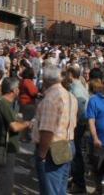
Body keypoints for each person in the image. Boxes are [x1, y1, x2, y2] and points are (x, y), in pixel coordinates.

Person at [32, 65, 78, 195]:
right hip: (68, 143)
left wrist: (41, 155)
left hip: (53, 148)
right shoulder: (70, 96)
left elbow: (47, 131)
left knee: (50, 189)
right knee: (60, 188)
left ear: (45, 80)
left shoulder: (51, 99)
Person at [0, 77, 31, 195]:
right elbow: (14, 126)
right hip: (5, 148)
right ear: (13, 90)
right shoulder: (4, 103)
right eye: (18, 88)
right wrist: (27, 124)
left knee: (0, 180)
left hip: (2, 147)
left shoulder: (4, 102)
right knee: (5, 182)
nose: (19, 90)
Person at [67, 66, 89, 194]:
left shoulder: (77, 89)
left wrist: (75, 122)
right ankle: (76, 181)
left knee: (76, 154)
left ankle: (79, 183)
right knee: (75, 154)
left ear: (71, 74)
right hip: (77, 125)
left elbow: (80, 112)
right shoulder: (76, 87)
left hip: (77, 126)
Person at [86, 79, 104, 195]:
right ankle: (98, 189)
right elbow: (91, 121)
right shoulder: (94, 100)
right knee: (96, 168)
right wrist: (95, 137)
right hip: (99, 142)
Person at [18, 67, 38, 142]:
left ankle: (24, 136)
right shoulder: (28, 81)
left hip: (23, 102)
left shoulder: (22, 81)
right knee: (27, 121)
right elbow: (33, 92)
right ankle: (24, 137)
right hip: (28, 103)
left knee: (25, 120)